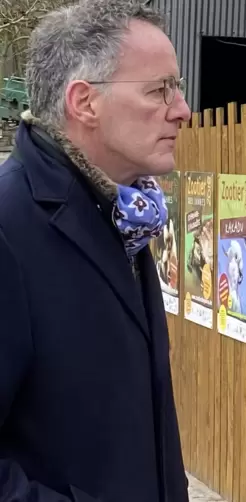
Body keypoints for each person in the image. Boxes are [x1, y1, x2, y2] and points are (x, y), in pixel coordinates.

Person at [0, 0, 191, 500]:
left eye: (179, 88)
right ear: (84, 102)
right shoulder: (9, 226)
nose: (182, 110)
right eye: (160, 90)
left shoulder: (123, 214)